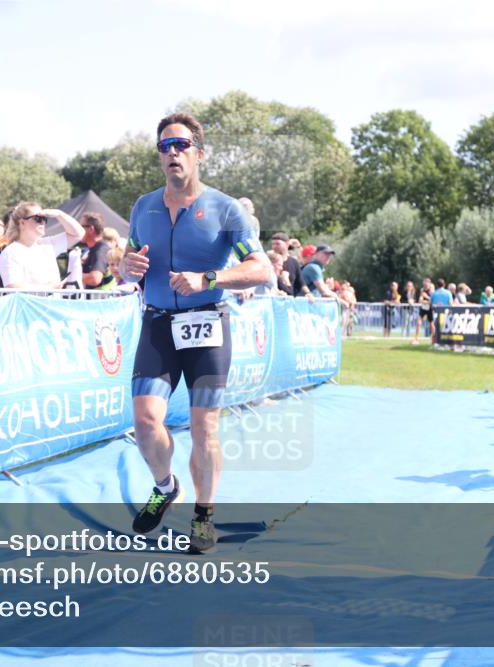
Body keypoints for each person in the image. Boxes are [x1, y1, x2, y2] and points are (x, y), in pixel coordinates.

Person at [120, 112, 269, 553]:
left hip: (207, 327)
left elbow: (260, 268)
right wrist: (125, 268)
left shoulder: (226, 209)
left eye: (181, 145)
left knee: (204, 429)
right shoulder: (142, 206)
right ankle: (165, 487)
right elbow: (128, 261)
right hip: (158, 325)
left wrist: (210, 278)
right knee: (146, 423)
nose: (172, 154)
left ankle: (204, 516)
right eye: (165, 147)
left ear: (199, 154)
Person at [0, 203, 84, 291]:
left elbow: (78, 234)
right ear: (22, 223)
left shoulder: (48, 244)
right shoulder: (11, 251)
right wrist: (48, 288)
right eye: (38, 218)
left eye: (45, 219)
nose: (43, 222)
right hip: (27, 314)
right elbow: (12, 287)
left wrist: (59, 214)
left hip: (50, 309)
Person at [79, 211, 115, 290]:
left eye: (80, 227)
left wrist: (75, 274)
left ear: (91, 229)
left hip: (100, 301)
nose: (77, 230)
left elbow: (95, 279)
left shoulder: (100, 250)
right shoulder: (95, 249)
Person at [269, 232, 310, 298]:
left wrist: (308, 293)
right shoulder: (268, 260)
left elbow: (301, 282)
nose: (274, 246)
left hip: (289, 299)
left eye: (277, 244)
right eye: (273, 244)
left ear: (287, 244)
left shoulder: (293, 262)